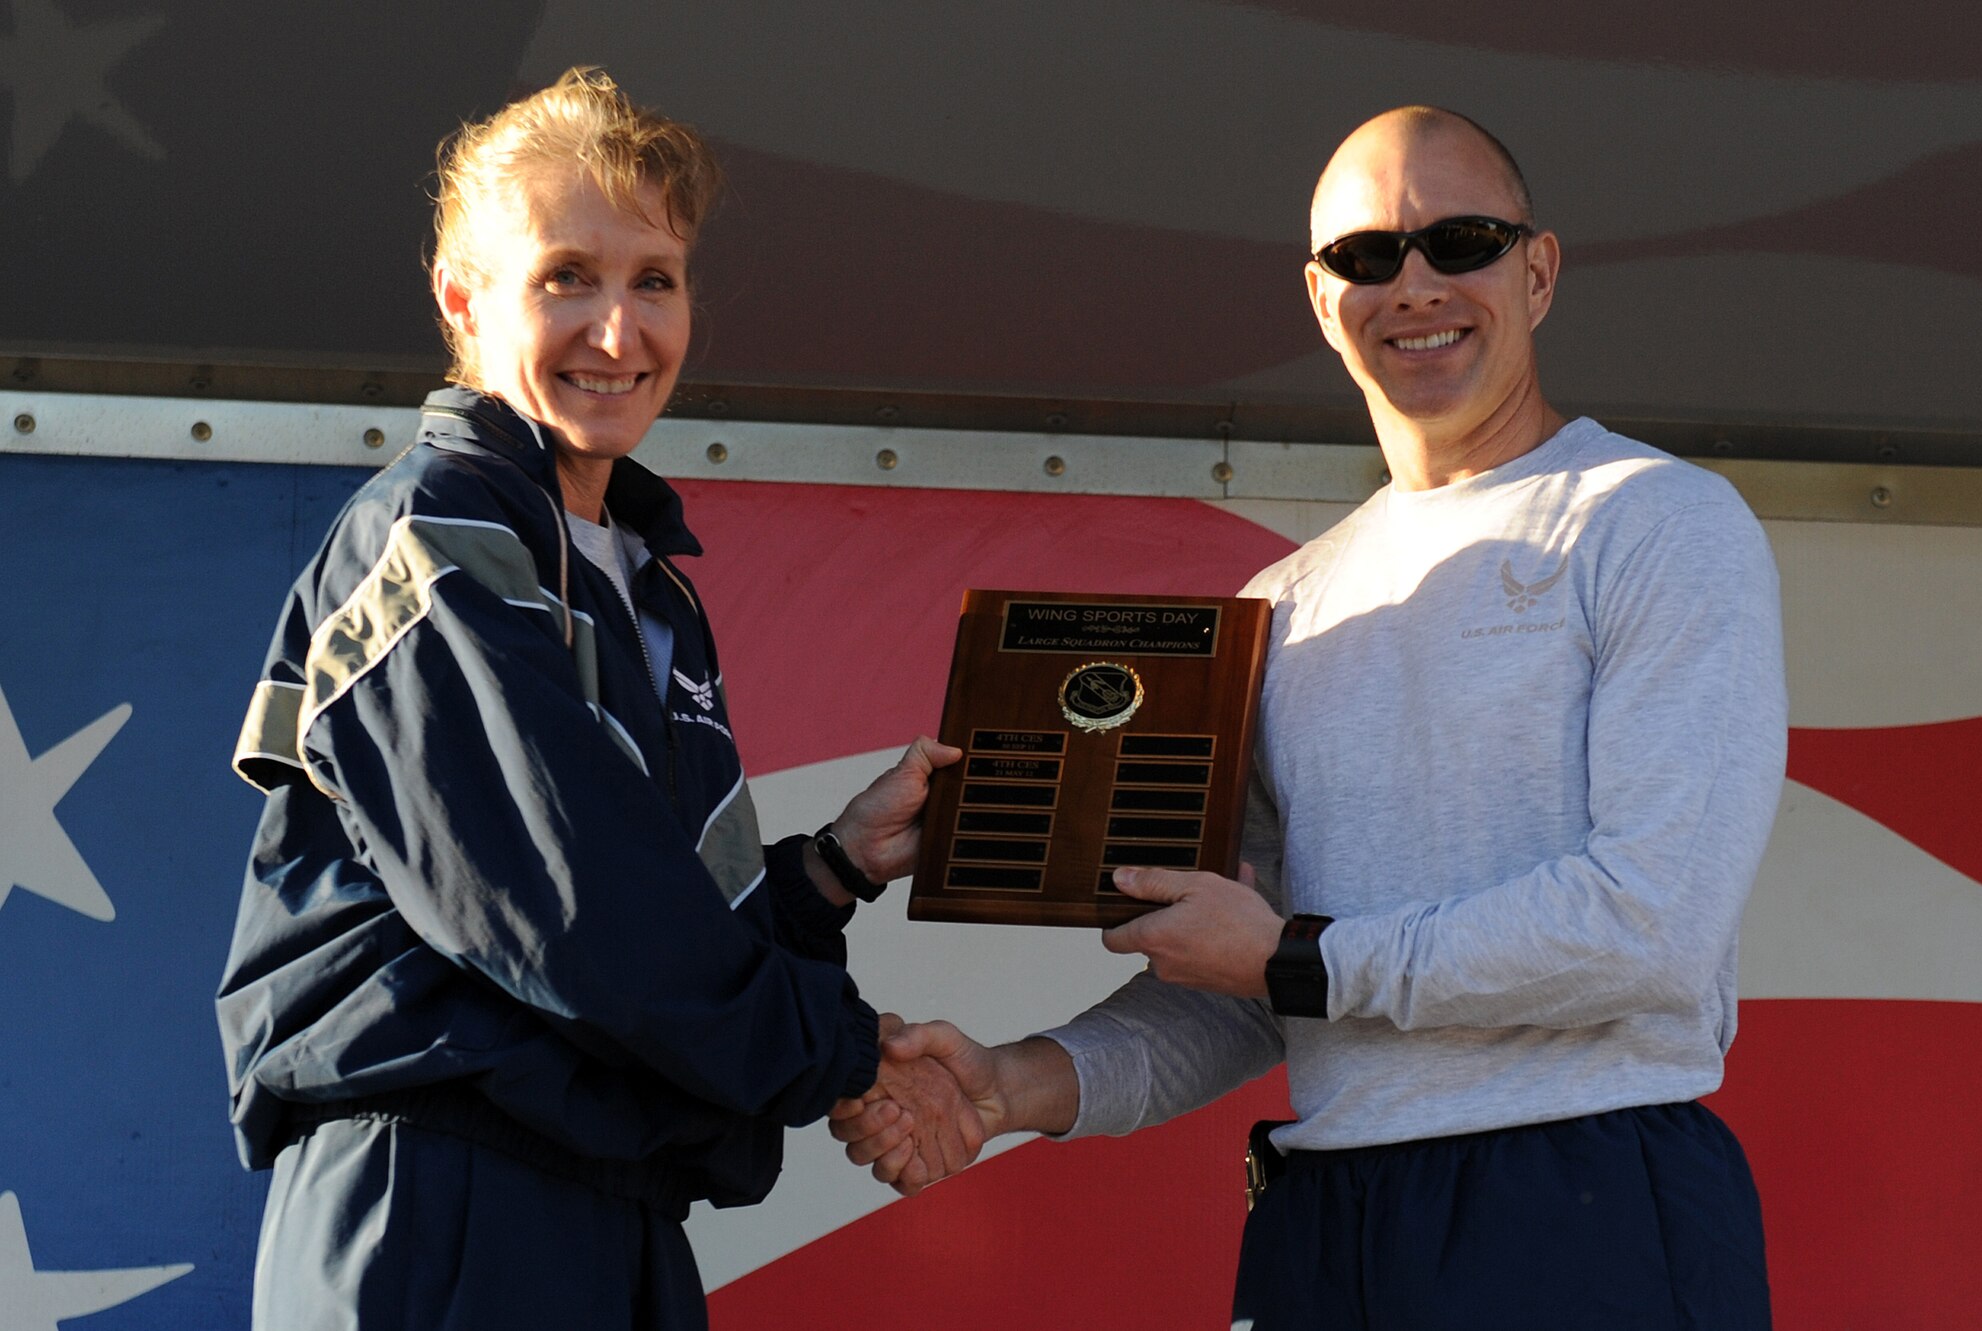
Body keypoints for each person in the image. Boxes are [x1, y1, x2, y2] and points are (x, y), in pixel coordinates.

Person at [833, 105, 1788, 1329]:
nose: (1415, 284)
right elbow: (1251, 982)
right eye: (1365, 256)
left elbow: (1648, 925)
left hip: (1580, 1188)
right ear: (1317, 298)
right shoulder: (1281, 604)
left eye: (1462, 240)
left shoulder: (1655, 522)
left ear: (1536, 271)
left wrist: (1300, 955)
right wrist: (1013, 1082)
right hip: (1324, 1213)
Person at [217, 68, 965, 1330]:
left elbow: (655, 918)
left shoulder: (646, 583)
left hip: (610, 1209)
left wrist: (830, 870)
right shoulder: (433, 531)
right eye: (565, 275)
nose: (617, 333)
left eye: (653, 280)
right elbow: (568, 909)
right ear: (462, 297)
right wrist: (847, 1051)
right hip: (442, 1199)